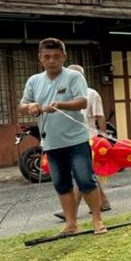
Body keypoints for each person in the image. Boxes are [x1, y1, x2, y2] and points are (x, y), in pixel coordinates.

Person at [19, 38, 107, 236]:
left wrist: (60, 105)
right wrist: (30, 107)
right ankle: (71, 223)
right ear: (40, 58)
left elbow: (83, 102)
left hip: (76, 140)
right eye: (47, 57)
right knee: (61, 184)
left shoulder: (74, 77)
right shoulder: (34, 81)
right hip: (51, 143)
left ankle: (97, 220)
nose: (52, 61)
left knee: (85, 180)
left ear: (64, 57)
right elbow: (22, 105)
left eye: (56, 57)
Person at [54, 65, 111, 221]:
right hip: (70, 139)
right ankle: (104, 201)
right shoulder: (65, 93)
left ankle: (72, 211)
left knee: (82, 174)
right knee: (86, 174)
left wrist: (103, 137)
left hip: (89, 138)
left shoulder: (92, 94)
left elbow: (100, 116)